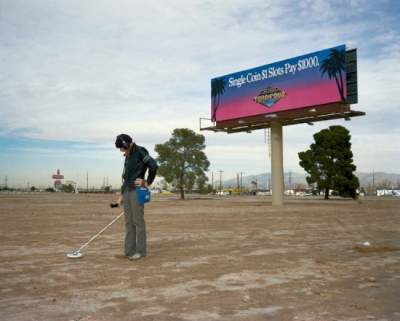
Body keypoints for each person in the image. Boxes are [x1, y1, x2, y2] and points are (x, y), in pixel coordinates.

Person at [115, 134, 158, 260]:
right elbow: (126, 176)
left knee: (138, 222)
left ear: (126, 144)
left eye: (122, 148)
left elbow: (153, 165)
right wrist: (122, 194)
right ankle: (129, 251)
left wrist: (147, 182)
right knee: (128, 223)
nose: (121, 151)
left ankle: (140, 252)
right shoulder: (128, 156)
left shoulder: (140, 151)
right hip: (127, 190)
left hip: (137, 191)